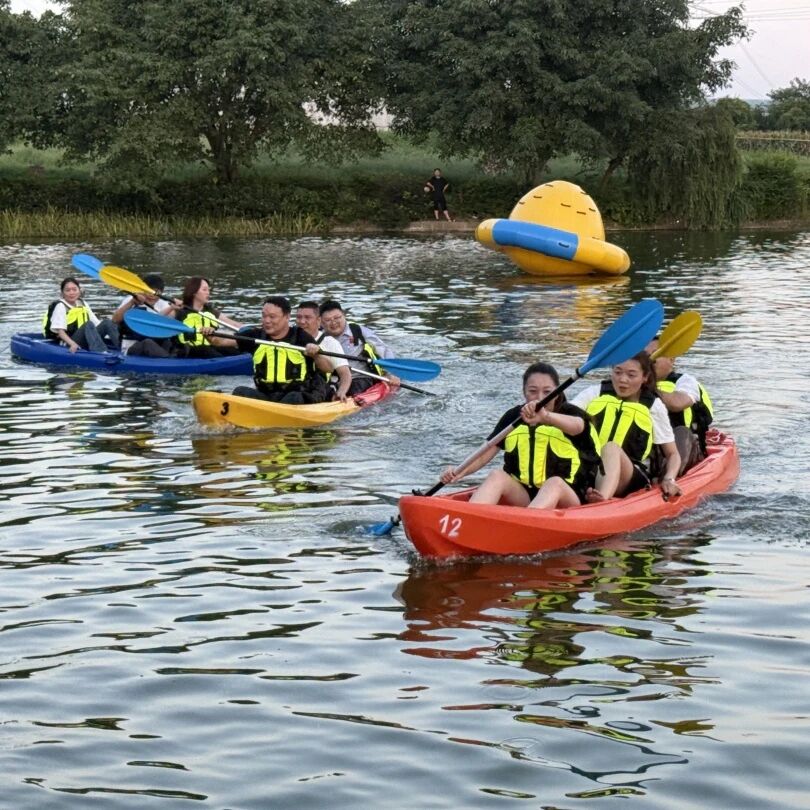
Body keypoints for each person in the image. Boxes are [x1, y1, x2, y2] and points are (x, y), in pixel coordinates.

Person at [440, 362, 602, 509]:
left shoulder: (571, 414)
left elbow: (578, 426)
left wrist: (546, 417)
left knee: (554, 484)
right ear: (524, 392)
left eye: (547, 392)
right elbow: (484, 454)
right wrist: (459, 472)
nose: (540, 398)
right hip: (525, 495)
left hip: (569, 498)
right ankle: (470, 520)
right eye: (533, 391)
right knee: (497, 476)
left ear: (557, 393)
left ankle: (528, 524)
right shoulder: (513, 417)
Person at [572, 352, 682, 502]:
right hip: (591, 469)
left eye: (631, 375)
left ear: (645, 377)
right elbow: (568, 415)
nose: (623, 380)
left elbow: (672, 454)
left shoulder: (653, 406)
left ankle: (601, 500)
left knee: (611, 448)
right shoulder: (595, 393)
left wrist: (669, 478)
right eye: (618, 372)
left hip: (631, 477)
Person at [232, 296, 333, 404]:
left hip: (294, 395)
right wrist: (215, 331)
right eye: (264, 316)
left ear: (287, 317)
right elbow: (224, 341)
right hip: (266, 395)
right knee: (239, 391)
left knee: (294, 397)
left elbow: (329, 368)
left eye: (272, 317)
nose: (267, 320)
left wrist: (316, 355)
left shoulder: (301, 337)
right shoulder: (256, 335)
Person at [647, 336, 714, 474]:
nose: (650, 360)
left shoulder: (686, 381)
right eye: (646, 356)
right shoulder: (631, 385)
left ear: (671, 359)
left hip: (685, 450)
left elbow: (677, 403)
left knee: (682, 432)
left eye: (655, 354)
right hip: (652, 451)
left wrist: (647, 388)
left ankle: (670, 476)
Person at [318, 299, 401, 396]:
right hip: (332, 379)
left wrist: (392, 374)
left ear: (344, 315)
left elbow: (384, 351)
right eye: (328, 320)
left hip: (359, 378)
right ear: (321, 322)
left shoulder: (358, 331)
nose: (333, 322)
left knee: (353, 390)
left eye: (337, 318)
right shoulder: (318, 337)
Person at [43, 277, 120, 353]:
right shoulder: (60, 306)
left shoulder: (83, 303)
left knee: (107, 322)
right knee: (88, 324)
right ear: (62, 293)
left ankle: (122, 347)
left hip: (84, 338)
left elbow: (96, 323)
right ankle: (101, 352)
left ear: (79, 291)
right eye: (67, 290)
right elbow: (60, 332)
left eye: (74, 289)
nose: (71, 293)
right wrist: (72, 344)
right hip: (68, 342)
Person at [295, 301, 353, 402]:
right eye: (299, 317)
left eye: (307, 318)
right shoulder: (291, 338)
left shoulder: (330, 342)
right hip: (296, 389)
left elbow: (345, 374)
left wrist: (342, 391)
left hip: (321, 391)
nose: (302, 322)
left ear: (318, 321)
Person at [111, 273, 180, 357]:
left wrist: (173, 308)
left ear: (161, 293)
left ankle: (172, 356)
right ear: (142, 290)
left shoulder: (164, 304)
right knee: (147, 343)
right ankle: (168, 361)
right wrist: (132, 302)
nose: (152, 295)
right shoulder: (131, 300)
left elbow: (171, 321)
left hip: (155, 344)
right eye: (148, 291)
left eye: (156, 292)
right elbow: (115, 320)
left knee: (169, 341)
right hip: (131, 347)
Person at [175, 276, 243, 358]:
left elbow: (231, 323)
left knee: (231, 350)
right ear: (194, 292)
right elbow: (164, 318)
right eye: (204, 290)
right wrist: (171, 308)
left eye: (208, 290)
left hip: (209, 347)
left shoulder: (210, 311)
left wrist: (250, 330)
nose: (208, 293)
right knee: (205, 350)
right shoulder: (180, 311)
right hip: (188, 349)